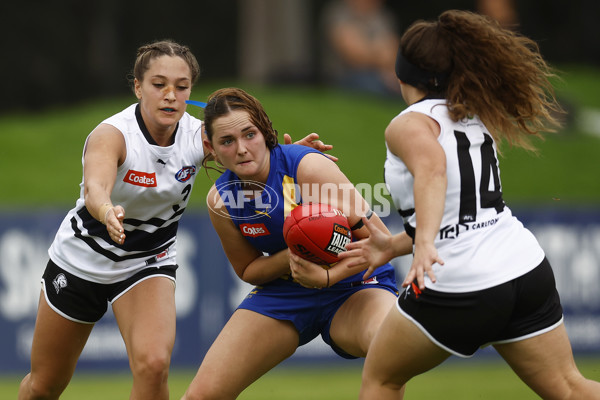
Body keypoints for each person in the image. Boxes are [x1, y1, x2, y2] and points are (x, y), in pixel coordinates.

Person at [17, 40, 332, 400]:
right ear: (138, 87)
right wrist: (107, 210)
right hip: (80, 261)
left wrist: (289, 157)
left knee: (153, 366)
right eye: (158, 84)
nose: (170, 95)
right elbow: (95, 189)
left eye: (181, 87)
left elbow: (246, 151)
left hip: (147, 261)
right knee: (44, 386)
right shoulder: (113, 135)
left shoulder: (199, 137)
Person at [339, 10, 600, 400]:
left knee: (382, 380)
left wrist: (425, 243)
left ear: (401, 74)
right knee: (569, 387)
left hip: (462, 281)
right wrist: (394, 246)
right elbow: (461, 215)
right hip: (524, 268)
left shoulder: (407, 123)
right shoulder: (474, 116)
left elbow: (432, 170)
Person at [181, 87, 402, 399]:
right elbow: (248, 269)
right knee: (200, 396)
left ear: (265, 130)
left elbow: (382, 244)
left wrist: (328, 276)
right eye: (227, 141)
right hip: (287, 292)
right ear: (212, 148)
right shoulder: (221, 200)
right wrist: (294, 257)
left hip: (356, 284)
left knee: (389, 350)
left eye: (249, 134)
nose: (242, 148)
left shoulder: (308, 167)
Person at [320, 0, 401, 97]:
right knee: (374, 86)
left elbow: (393, 52)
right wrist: (380, 53)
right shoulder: (339, 13)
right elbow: (353, 55)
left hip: (382, 73)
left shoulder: (382, 16)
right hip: (344, 76)